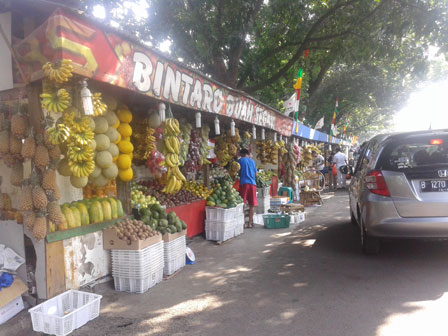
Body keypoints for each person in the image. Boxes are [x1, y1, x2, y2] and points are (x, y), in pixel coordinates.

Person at [238, 148, 258, 228]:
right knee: (251, 205)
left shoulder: (240, 160)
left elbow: (236, 170)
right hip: (253, 184)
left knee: (242, 203)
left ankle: (242, 223)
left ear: (242, 154)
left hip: (244, 183)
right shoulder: (253, 161)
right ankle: (249, 223)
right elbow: (256, 175)